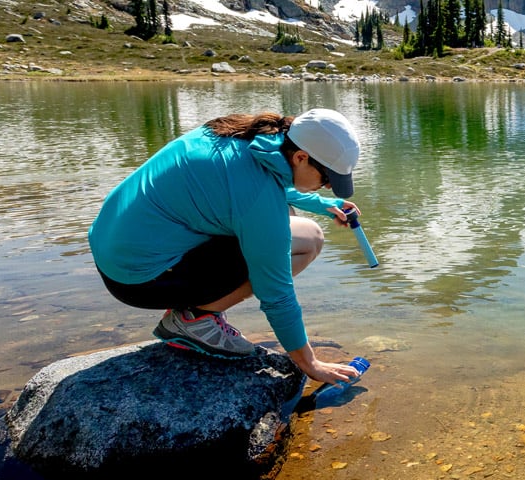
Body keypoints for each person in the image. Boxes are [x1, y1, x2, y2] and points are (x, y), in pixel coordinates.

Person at [88, 108, 364, 385]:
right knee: (308, 240)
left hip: (114, 253)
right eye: (327, 179)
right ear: (301, 157)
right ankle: (195, 320)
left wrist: (322, 205)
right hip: (139, 280)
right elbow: (276, 294)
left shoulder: (242, 134)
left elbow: (257, 182)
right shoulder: (256, 197)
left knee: (285, 219)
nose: (328, 187)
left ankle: (195, 310)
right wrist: (310, 363)